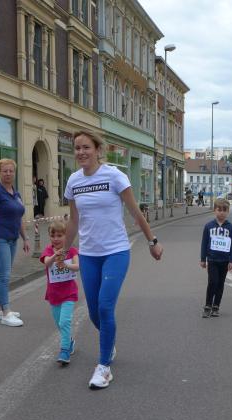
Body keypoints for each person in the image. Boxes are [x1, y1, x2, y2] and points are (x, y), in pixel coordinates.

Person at [64, 130, 163, 390]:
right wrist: (63, 250)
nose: (81, 152)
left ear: (98, 150)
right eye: (77, 148)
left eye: (86, 147)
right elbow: (73, 220)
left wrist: (152, 241)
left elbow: (135, 212)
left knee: (105, 307)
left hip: (115, 252)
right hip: (88, 254)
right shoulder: (73, 181)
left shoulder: (114, 176)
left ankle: (104, 367)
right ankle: (109, 344)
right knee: (94, 312)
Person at [0, 158, 30, 326]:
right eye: (5, 171)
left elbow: (19, 218)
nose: (8, 174)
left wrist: (25, 238)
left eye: (11, 171)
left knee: (1, 274)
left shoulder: (15, 193)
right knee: (4, 275)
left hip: (12, 238)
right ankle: (6, 313)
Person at [40, 219, 79, 365]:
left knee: (64, 321)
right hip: (54, 294)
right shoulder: (48, 251)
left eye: (59, 236)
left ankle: (64, 351)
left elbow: (77, 266)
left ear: (66, 236)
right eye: (53, 236)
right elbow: (46, 262)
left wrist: (66, 265)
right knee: (59, 323)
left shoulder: (72, 250)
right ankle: (69, 341)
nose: (55, 239)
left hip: (69, 293)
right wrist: (55, 256)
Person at [200, 197, 232, 318]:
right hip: (212, 260)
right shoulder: (208, 226)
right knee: (212, 282)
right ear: (214, 210)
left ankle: (216, 306)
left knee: (220, 284)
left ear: (228, 212)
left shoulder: (231, 228)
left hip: (224, 261)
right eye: (219, 210)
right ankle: (208, 305)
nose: (222, 212)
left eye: (224, 210)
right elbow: (204, 243)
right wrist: (203, 259)